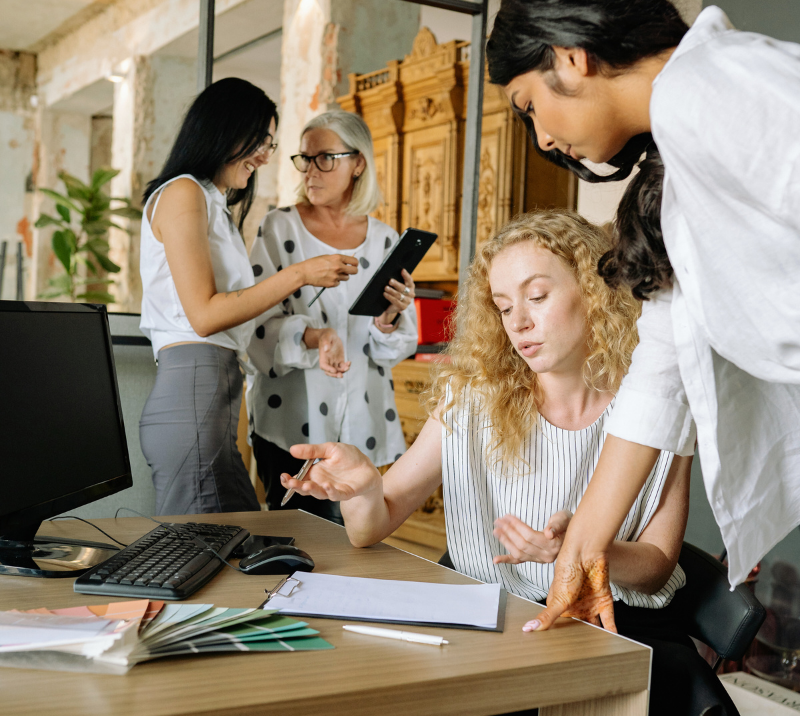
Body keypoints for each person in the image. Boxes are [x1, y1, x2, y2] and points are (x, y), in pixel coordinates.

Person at [279, 211, 736, 716]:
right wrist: (365, 491)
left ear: (593, 290)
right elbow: (373, 525)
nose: (518, 322)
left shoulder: (656, 406)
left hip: (615, 624)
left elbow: (655, 569)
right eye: (503, 307)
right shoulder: (471, 400)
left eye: (537, 297)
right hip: (500, 620)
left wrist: (583, 547)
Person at [485, 0, 800, 631]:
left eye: (528, 105)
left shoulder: (712, 89)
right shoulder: (680, 157)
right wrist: (580, 556)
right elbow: (660, 376)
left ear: (569, 56)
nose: (541, 138)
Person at [138, 78, 358, 516]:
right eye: (258, 139)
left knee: (239, 546)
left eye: (271, 144)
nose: (263, 154)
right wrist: (300, 274)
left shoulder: (210, 202)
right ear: (222, 129)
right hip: (193, 389)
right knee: (208, 553)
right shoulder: (183, 192)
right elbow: (204, 315)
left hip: (212, 394)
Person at [247, 110, 418, 523]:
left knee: (358, 539)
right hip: (289, 422)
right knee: (295, 541)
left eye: (325, 158)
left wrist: (389, 317)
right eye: (305, 158)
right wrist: (315, 336)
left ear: (358, 162)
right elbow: (255, 328)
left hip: (364, 417)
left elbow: (392, 348)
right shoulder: (278, 228)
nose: (310, 170)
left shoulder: (385, 240)